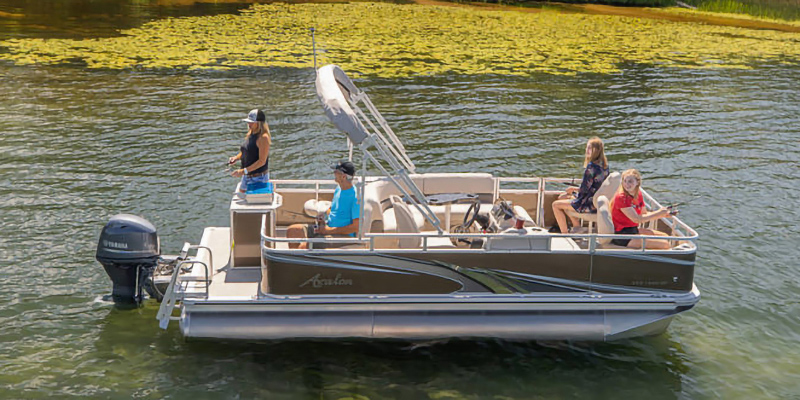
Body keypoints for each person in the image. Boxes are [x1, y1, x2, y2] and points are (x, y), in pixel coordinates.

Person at [286, 161, 360, 249]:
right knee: (293, 231)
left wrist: (329, 231)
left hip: (342, 235)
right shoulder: (339, 189)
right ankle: (295, 257)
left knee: (305, 246)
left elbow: (356, 227)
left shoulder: (356, 198)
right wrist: (323, 217)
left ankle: (298, 256)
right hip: (328, 227)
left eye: (336, 172)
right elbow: (333, 209)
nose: (334, 173)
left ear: (343, 176)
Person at [551, 136, 609, 234]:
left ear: (596, 150)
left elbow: (584, 190)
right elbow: (593, 187)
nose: (587, 150)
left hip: (587, 204)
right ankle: (577, 227)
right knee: (562, 197)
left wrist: (573, 189)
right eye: (587, 147)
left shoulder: (591, 167)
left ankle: (564, 234)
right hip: (595, 201)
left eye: (589, 148)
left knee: (555, 205)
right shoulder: (604, 166)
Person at [610, 169, 672, 249]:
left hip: (633, 230)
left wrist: (662, 214)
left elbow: (644, 214)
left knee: (666, 237)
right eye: (625, 181)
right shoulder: (621, 198)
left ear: (637, 182)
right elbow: (637, 219)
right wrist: (658, 213)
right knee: (665, 244)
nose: (627, 184)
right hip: (622, 235)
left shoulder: (638, 194)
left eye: (630, 181)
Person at [228, 109, 271, 193]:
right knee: (242, 196)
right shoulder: (251, 133)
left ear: (259, 123)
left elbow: (262, 161)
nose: (249, 124)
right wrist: (236, 158)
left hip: (258, 178)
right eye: (248, 122)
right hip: (247, 175)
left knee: (253, 200)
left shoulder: (263, 138)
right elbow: (246, 151)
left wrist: (243, 171)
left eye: (251, 122)